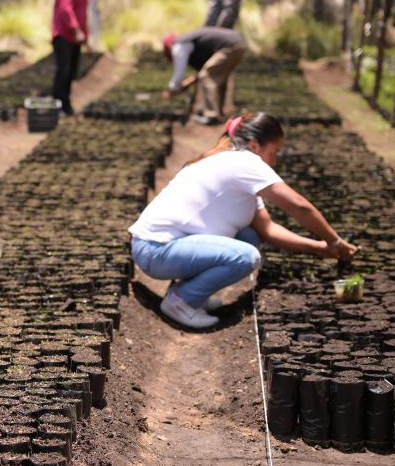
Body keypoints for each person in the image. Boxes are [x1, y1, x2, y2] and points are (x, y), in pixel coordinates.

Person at [129, 112, 358, 329]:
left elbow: (268, 229)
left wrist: (320, 248)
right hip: (157, 250)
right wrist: (335, 241)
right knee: (246, 256)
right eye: (274, 152)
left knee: (249, 236)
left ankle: (190, 291)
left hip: (158, 248)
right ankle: (182, 301)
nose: (274, 161)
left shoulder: (229, 163)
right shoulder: (246, 162)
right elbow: (299, 206)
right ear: (255, 145)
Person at [162, 27, 247, 125]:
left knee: (207, 76)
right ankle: (219, 112)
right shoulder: (194, 44)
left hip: (229, 46)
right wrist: (188, 82)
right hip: (238, 43)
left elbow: (179, 74)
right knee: (220, 77)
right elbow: (202, 72)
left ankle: (212, 115)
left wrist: (173, 88)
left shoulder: (179, 45)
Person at [51, 0, 99, 116]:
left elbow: (81, 13)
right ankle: (57, 104)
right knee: (63, 71)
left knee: (71, 72)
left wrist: (85, 35)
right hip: (64, 36)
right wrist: (76, 30)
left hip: (74, 38)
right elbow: (65, 10)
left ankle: (65, 104)